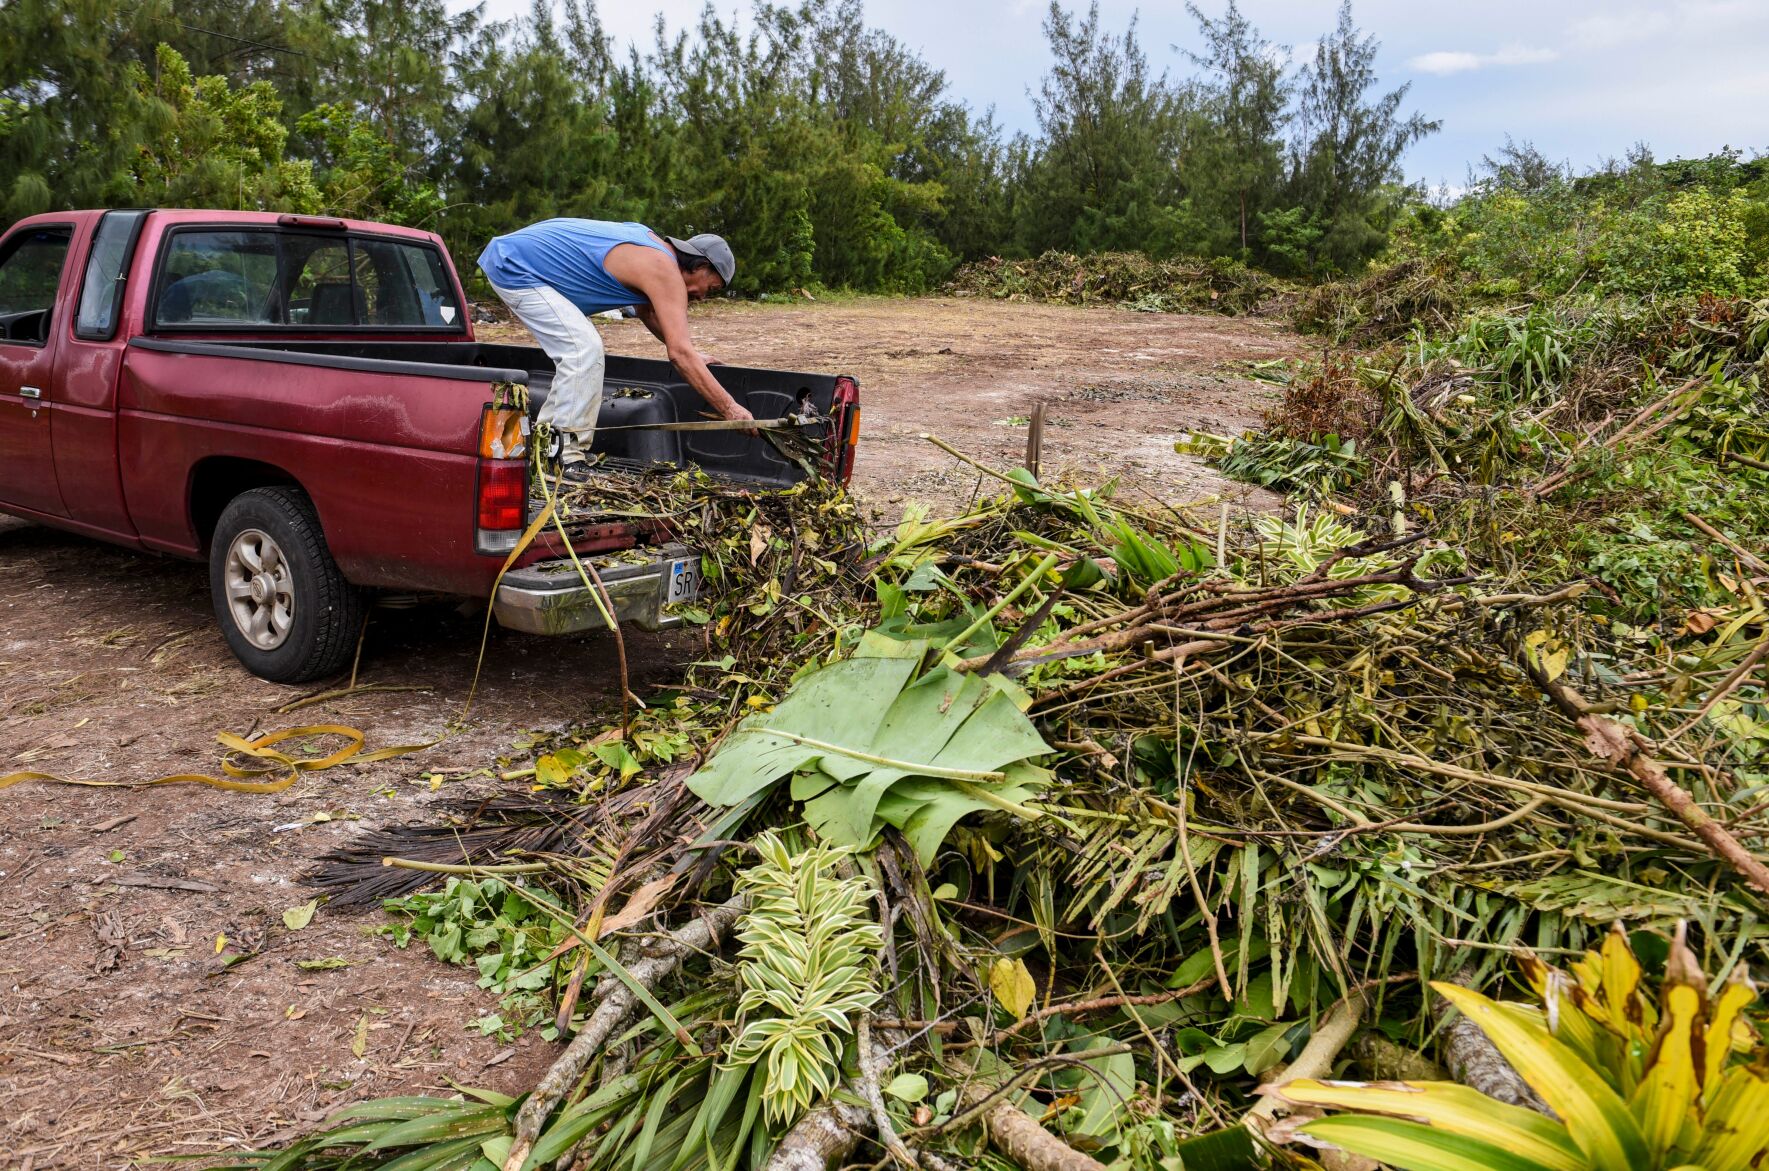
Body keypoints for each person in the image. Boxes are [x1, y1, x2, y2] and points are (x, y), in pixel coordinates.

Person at [477, 219, 755, 477]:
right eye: (711, 287)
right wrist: (731, 409)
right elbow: (679, 354)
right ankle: (564, 458)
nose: (704, 296)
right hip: (514, 266)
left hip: (512, 257)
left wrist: (692, 354)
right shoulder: (664, 270)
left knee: (582, 349)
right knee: (583, 351)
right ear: (700, 265)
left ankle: (545, 448)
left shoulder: (653, 248)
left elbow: (649, 314)